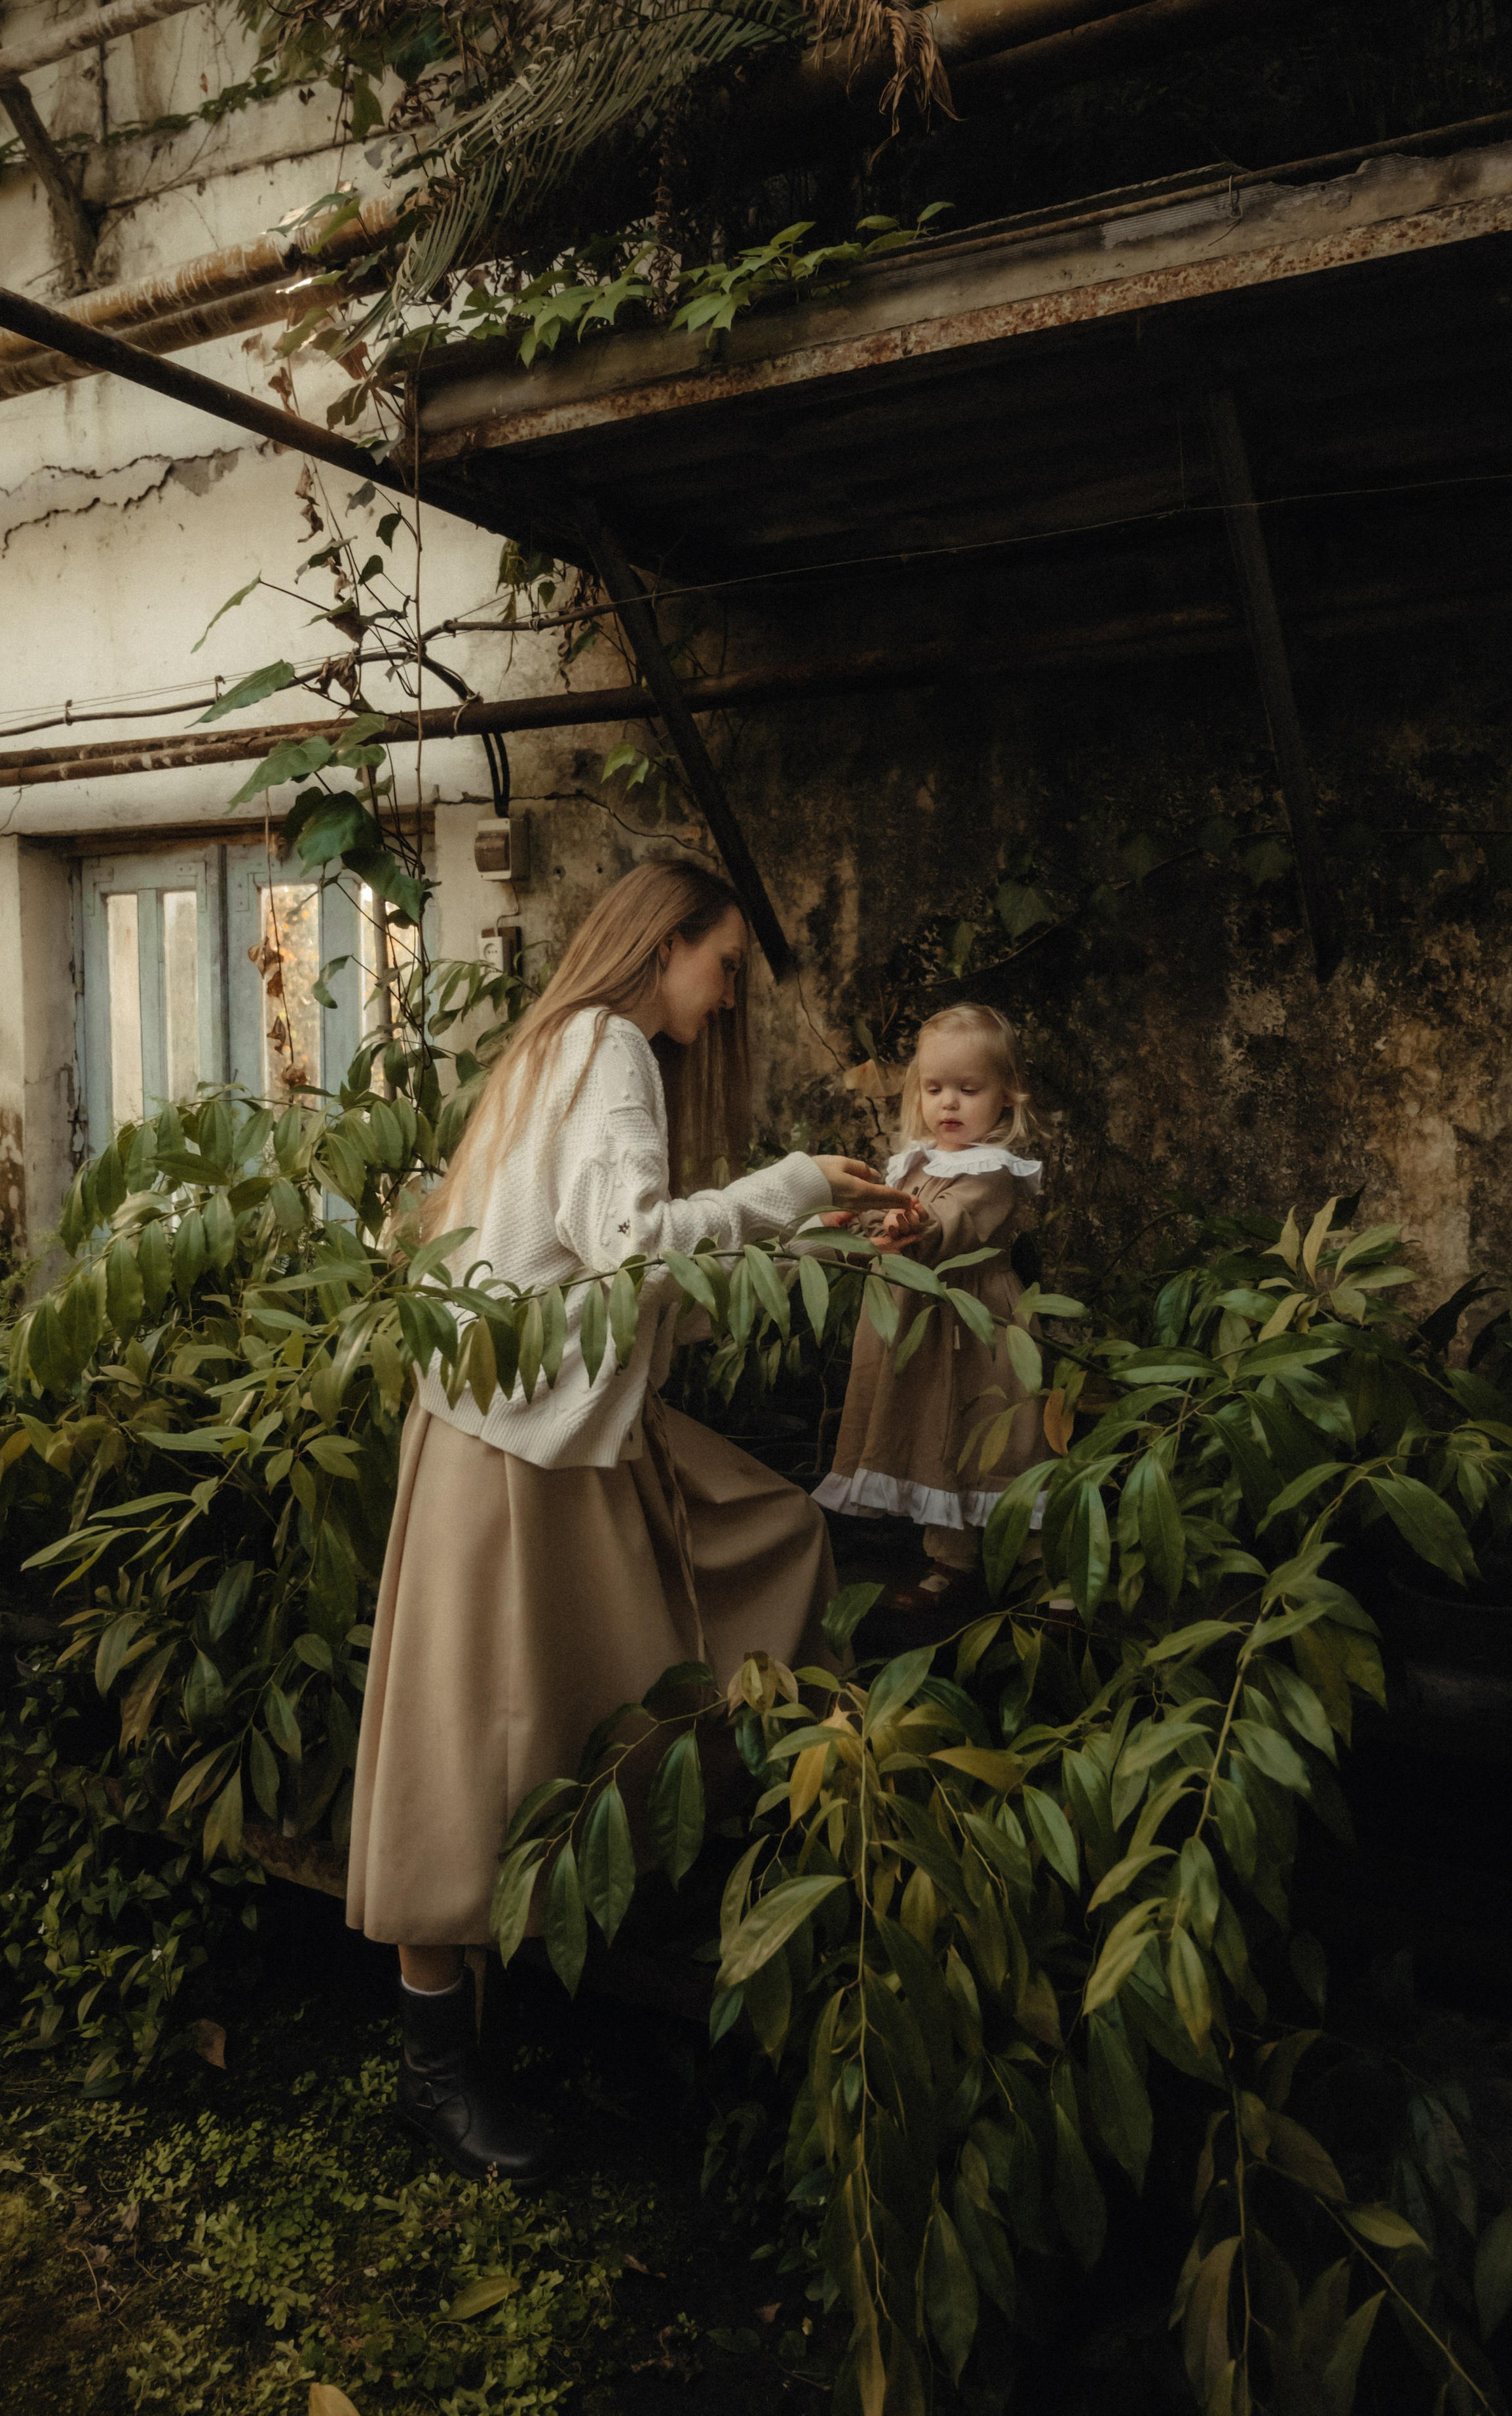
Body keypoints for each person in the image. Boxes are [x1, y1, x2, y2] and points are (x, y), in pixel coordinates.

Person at [347, 860, 902, 2189]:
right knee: (472, 1751)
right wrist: (794, 1186)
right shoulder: (607, 1049)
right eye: (721, 967)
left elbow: (629, 1291)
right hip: (516, 1457)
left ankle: (648, 1920)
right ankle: (441, 2072)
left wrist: (823, 1245)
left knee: (752, 1541)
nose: (722, 1002)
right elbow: (635, 1253)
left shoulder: (559, 1045)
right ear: (664, 949)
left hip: (529, 1438)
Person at [812, 1002, 1046, 1618]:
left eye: (969, 1089)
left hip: (977, 1325)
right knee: (933, 1440)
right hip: (920, 1324)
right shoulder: (914, 1164)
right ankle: (951, 1557)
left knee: (996, 1442)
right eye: (935, 1088)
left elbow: (959, 1220)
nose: (950, 1104)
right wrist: (856, 1220)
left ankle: (1044, 1567)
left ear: (1005, 1096)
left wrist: (917, 1225)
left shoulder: (994, 1170)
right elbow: (889, 1215)